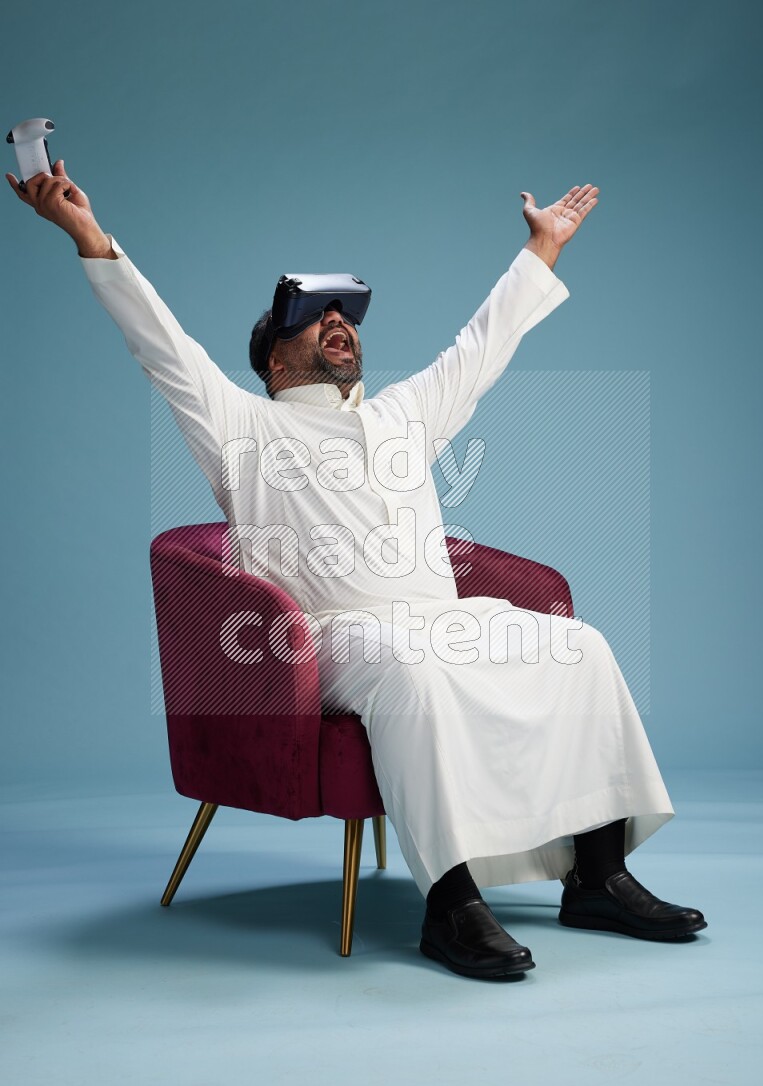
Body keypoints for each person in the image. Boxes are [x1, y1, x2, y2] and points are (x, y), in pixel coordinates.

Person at [7, 161, 707, 980]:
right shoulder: (239, 423)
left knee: (577, 647)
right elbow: (158, 341)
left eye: (345, 315)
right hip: (326, 642)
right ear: (272, 360)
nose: (336, 323)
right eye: (310, 318)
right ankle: (450, 906)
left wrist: (543, 249)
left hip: (440, 622)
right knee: (409, 667)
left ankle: (597, 875)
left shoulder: (404, 412)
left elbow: (485, 345)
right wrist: (89, 234)